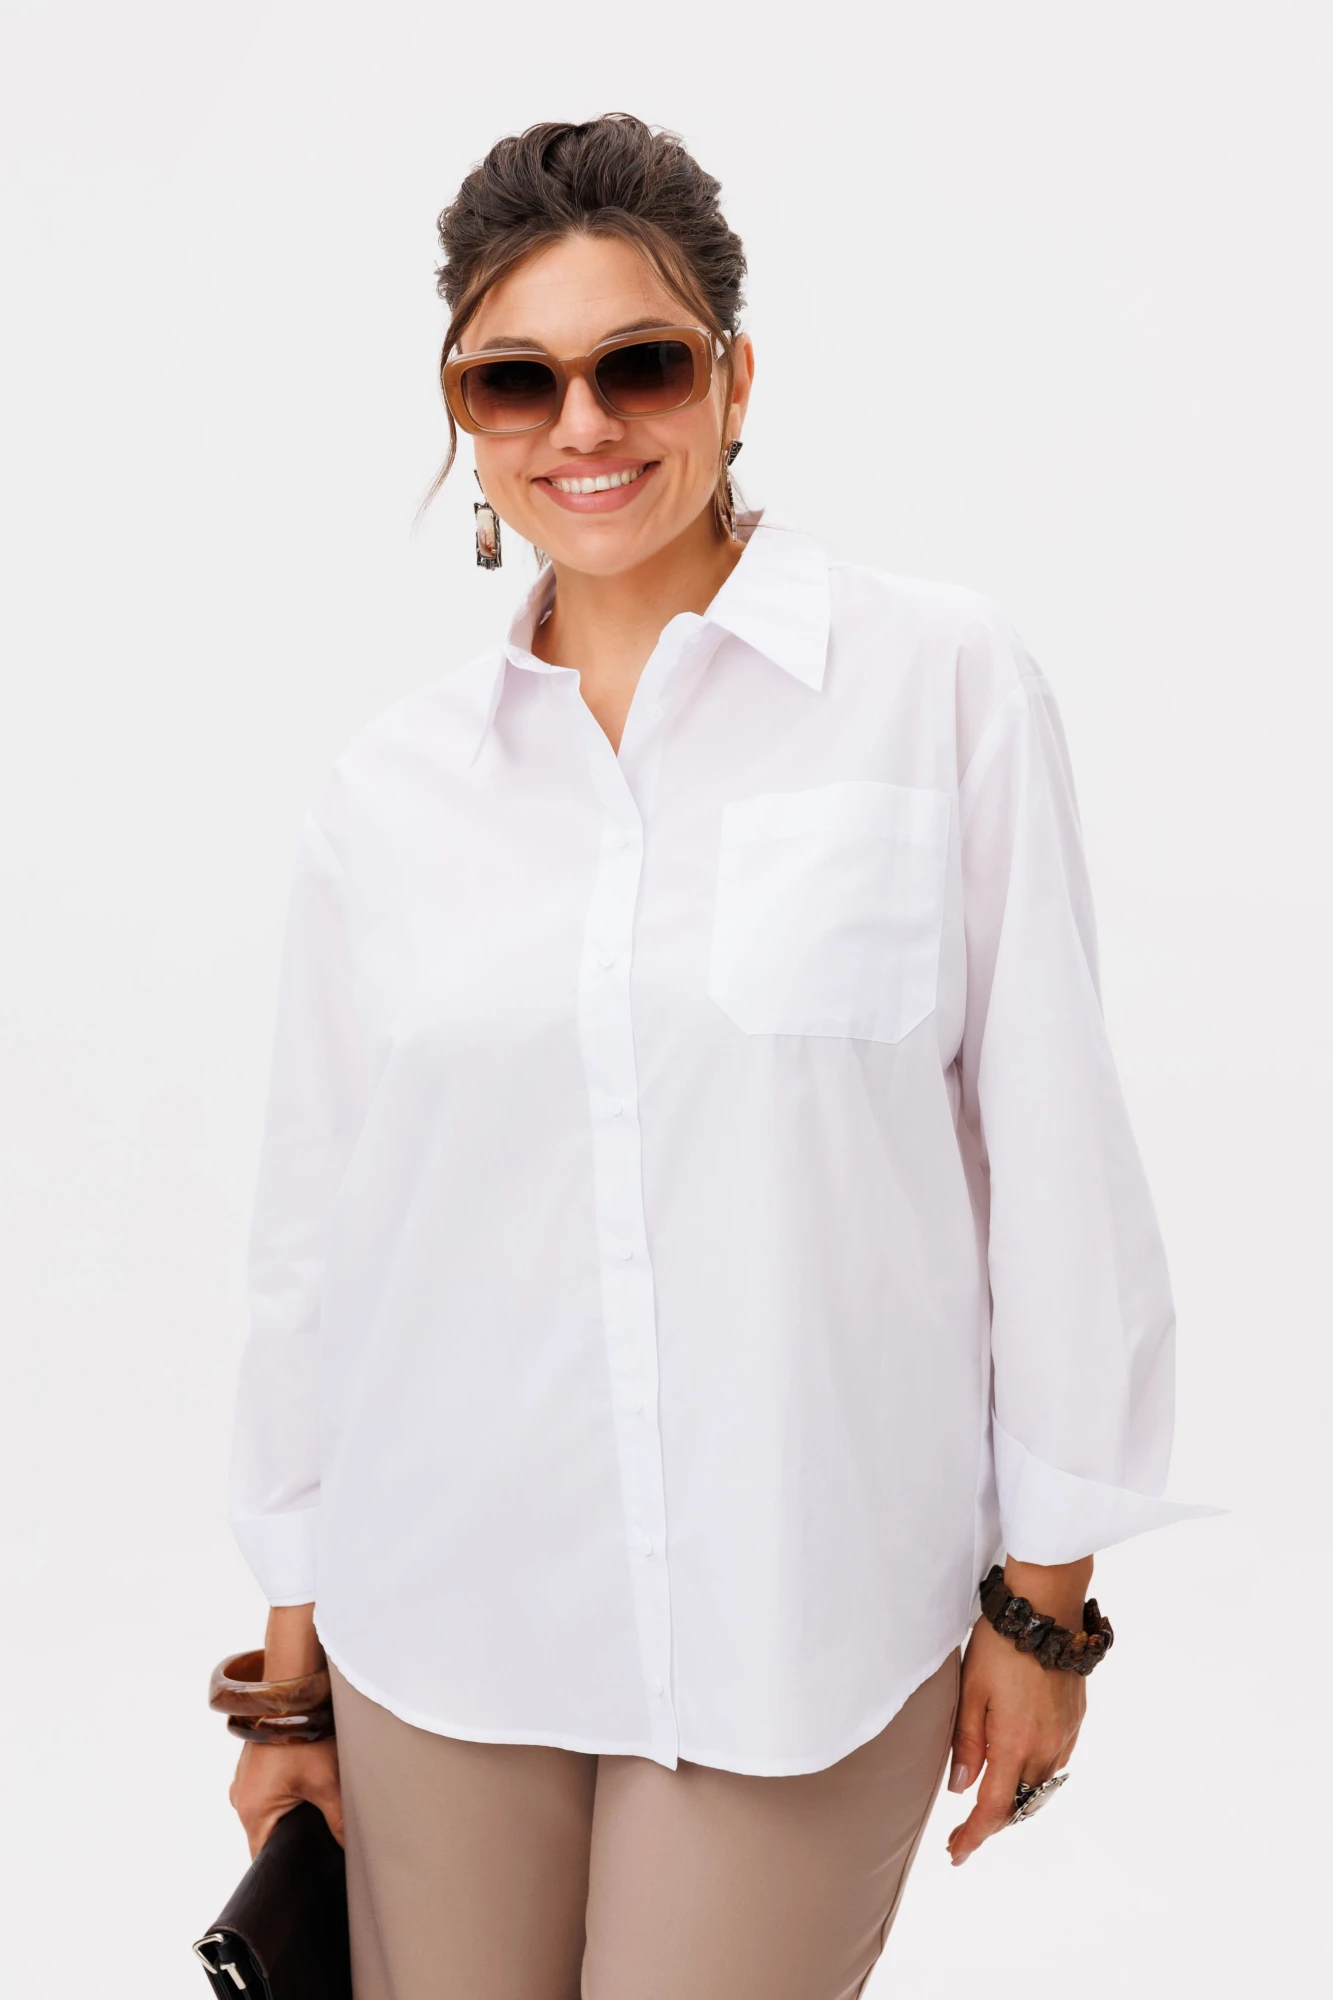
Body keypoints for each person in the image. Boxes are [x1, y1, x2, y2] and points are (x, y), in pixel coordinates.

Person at [221, 113, 1205, 2000]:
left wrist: (1048, 1609)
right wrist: (288, 1678)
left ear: (736, 380)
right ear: (466, 418)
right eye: (517, 380)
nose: (581, 424)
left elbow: (1056, 1159)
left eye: (641, 364)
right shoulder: (391, 794)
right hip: (441, 1622)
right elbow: (316, 1253)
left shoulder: (938, 686)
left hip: (800, 1621)